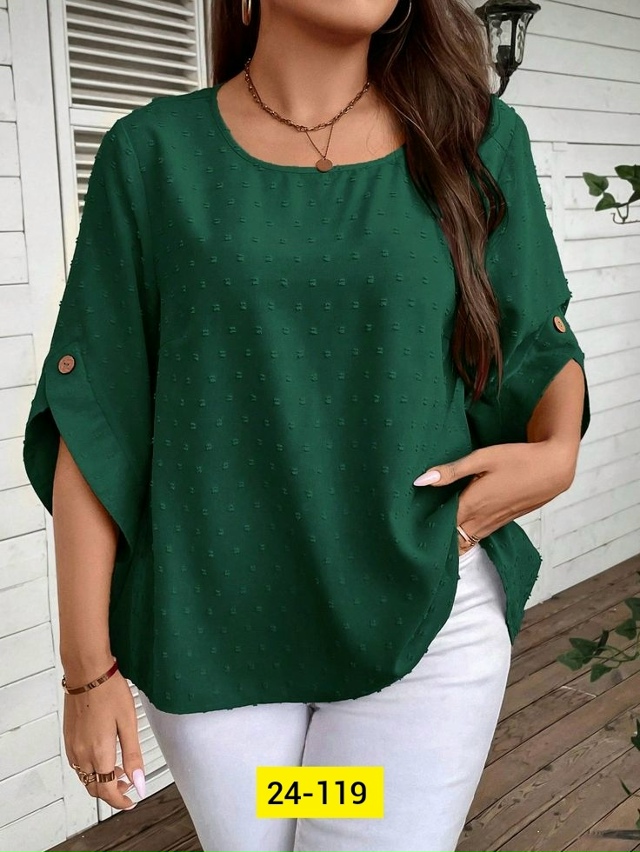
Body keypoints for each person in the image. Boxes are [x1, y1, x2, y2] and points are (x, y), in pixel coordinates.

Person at [22, 0, 591, 849]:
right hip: (212, 636)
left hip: (419, 617)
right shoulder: (153, 155)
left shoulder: (474, 139)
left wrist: (558, 451)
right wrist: (86, 671)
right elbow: (98, 414)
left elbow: (536, 341)